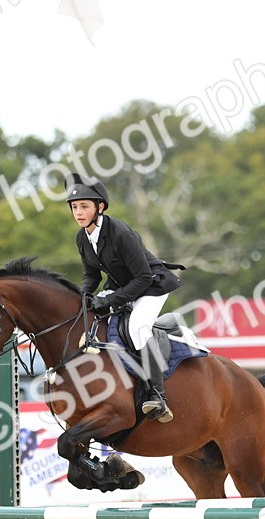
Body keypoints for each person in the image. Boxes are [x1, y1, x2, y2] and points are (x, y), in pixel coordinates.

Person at [67, 173, 185, 422]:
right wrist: (84, 297)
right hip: (123, 285)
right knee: (91, 319)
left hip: (151, 285)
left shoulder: (120, 233)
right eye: (75, 207)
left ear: (100, 207)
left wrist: (109, 301)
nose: (78, 212)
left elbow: (142, 278)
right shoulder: (82, 238)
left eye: (84, 206)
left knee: (137, 326)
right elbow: (91, 274)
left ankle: (157, 394)